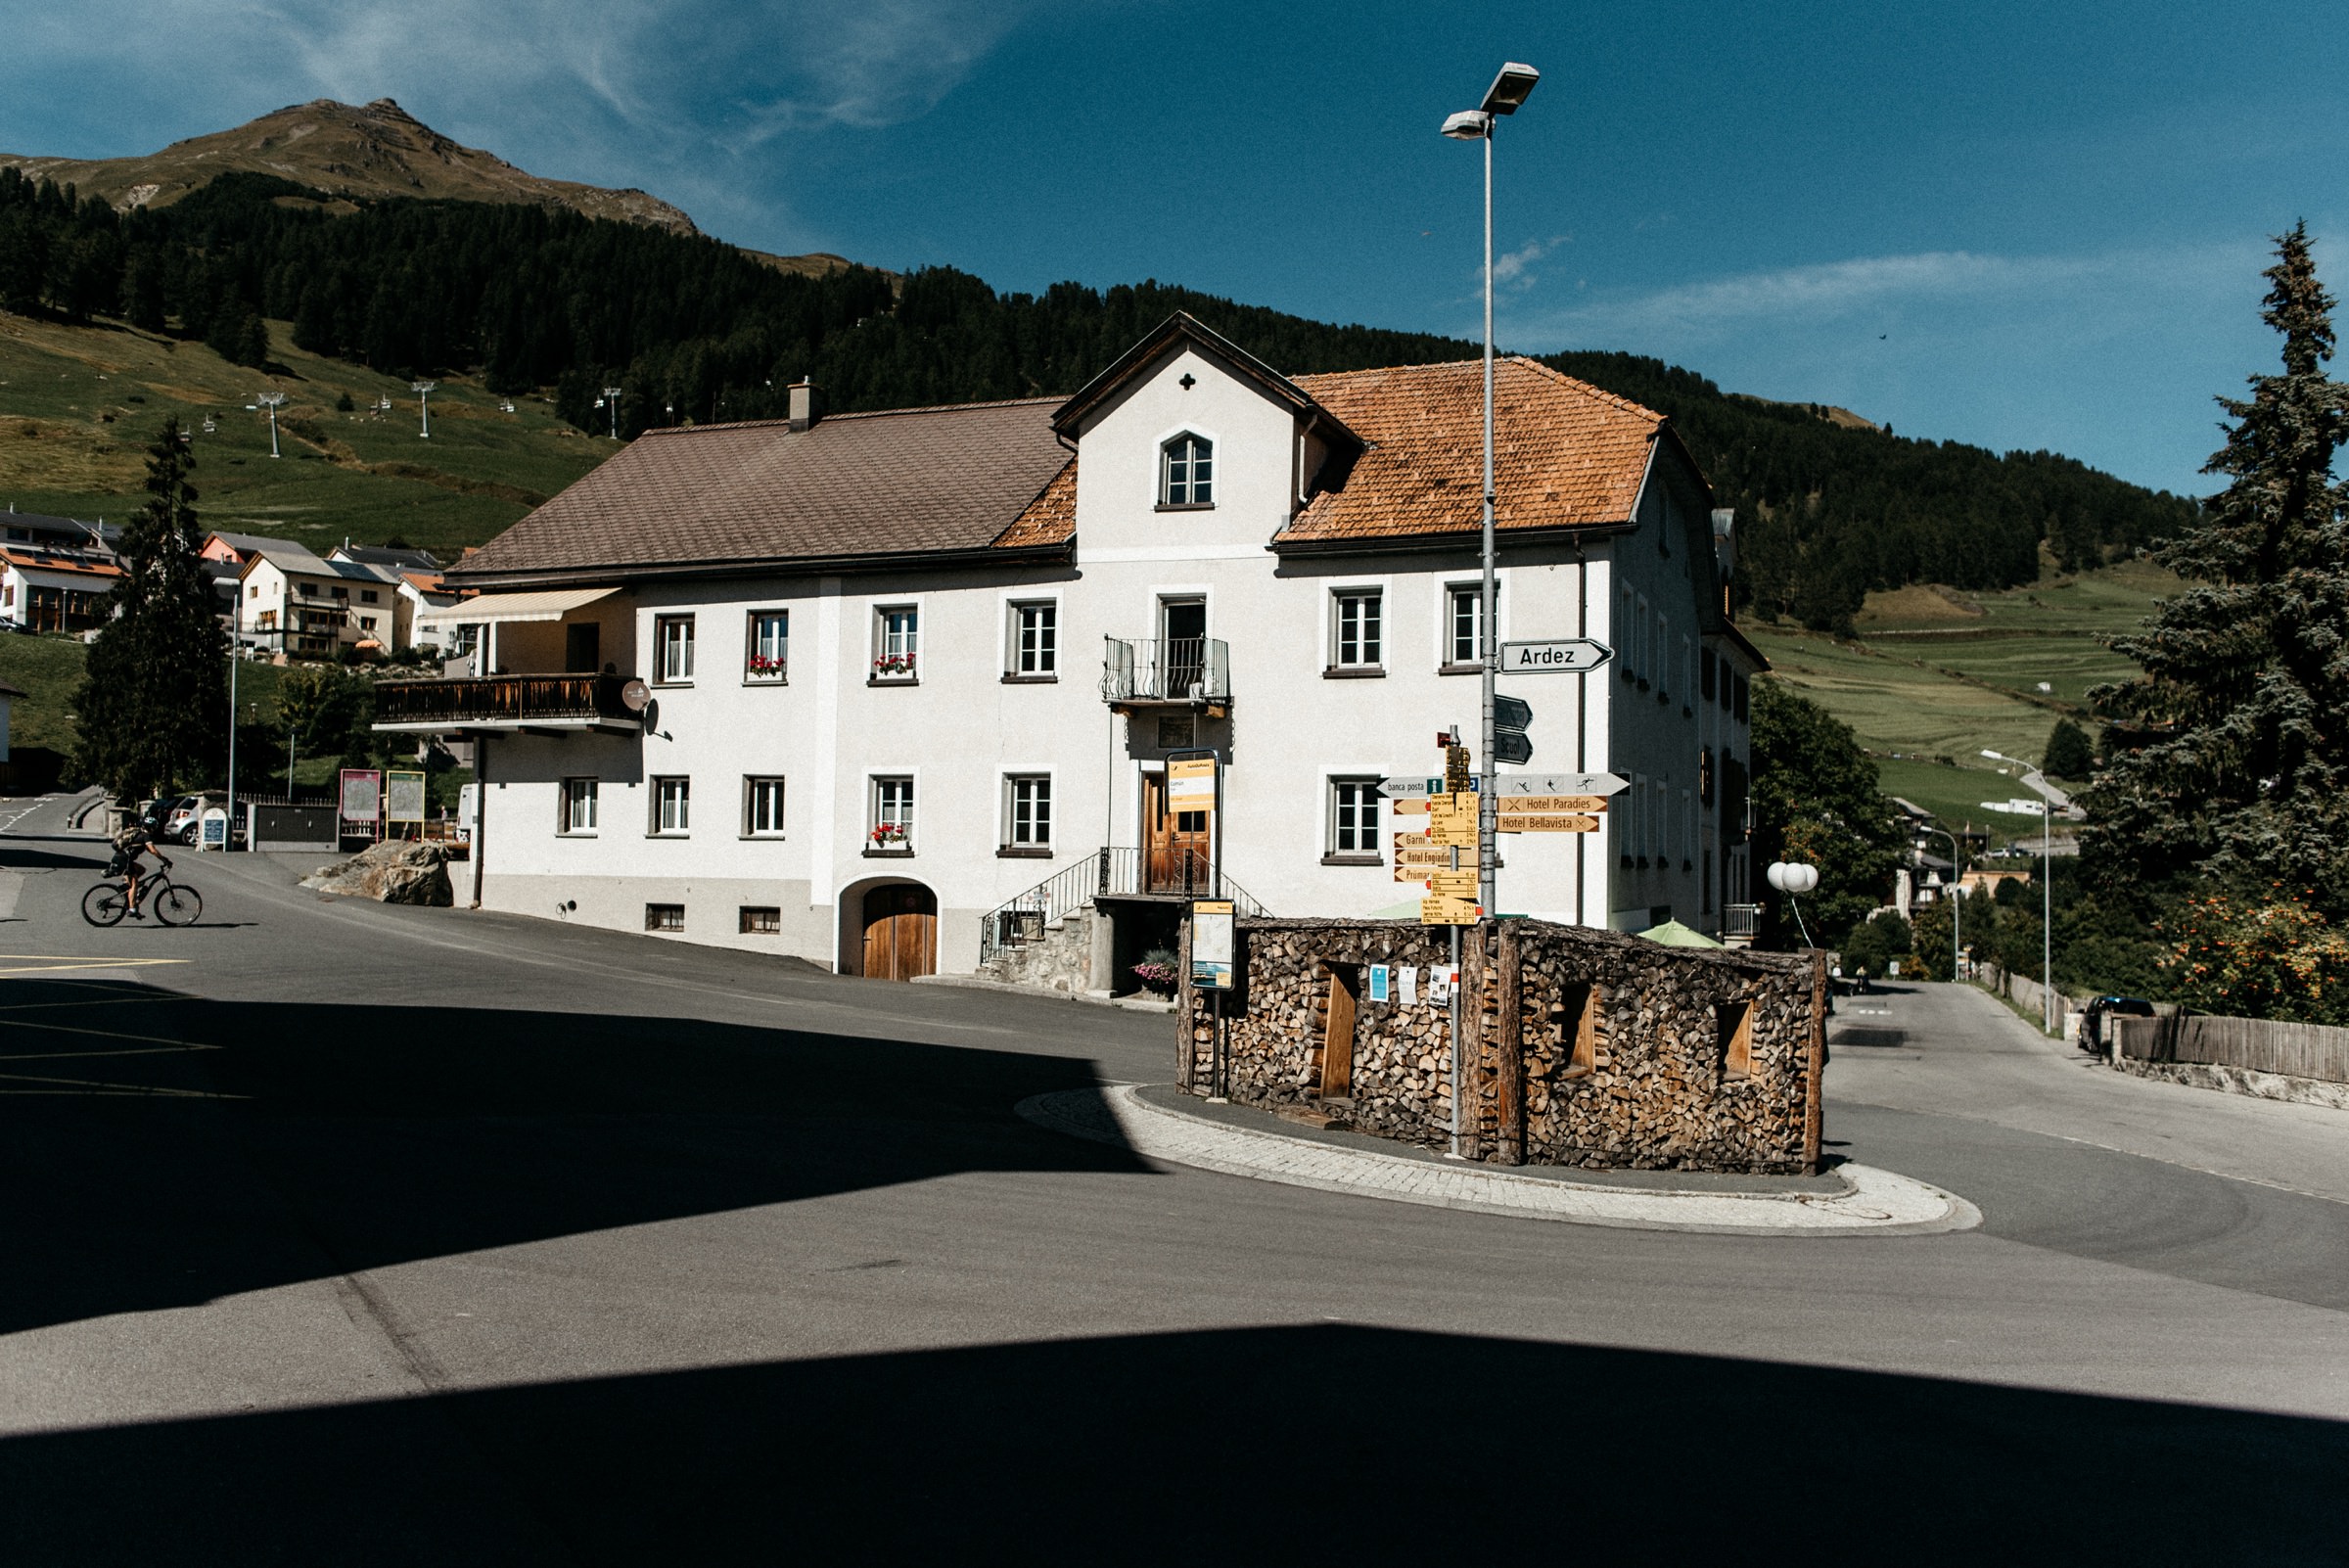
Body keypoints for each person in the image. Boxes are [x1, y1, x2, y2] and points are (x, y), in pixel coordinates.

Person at [109, 803, 172, 918]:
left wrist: (163, 858)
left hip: (121, 858)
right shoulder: (145, 836)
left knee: (141, 870)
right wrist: (165, 860)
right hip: (124, 860)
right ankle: (132, 908)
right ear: (152, 827)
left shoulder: (139, 834)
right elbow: (153, 850)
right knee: (134, 884)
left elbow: (148, 850)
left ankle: (126, 886)